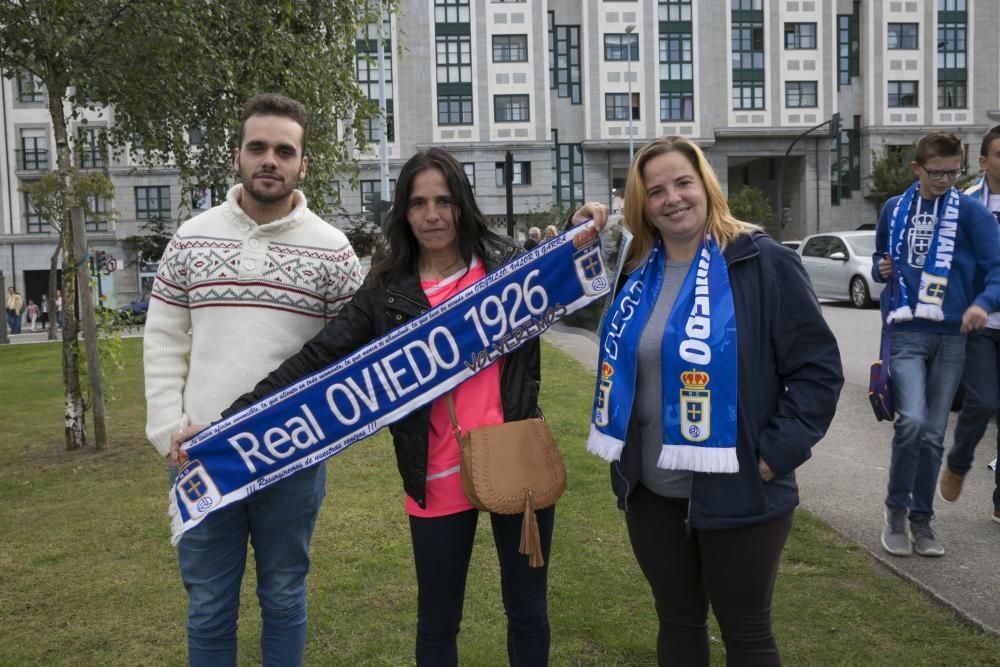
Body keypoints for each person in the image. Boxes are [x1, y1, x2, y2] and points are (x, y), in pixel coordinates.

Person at [176, 147, 556, 665]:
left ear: (463, 204)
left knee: (528, 611)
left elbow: (574, 275)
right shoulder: (385, 293)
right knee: (438, 622)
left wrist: (584, 229)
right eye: (418, 203)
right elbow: (315, 359)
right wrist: (230, 422)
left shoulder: (509, 269)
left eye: (444, 201)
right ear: (403, 211)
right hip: (436, 472)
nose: (432, 215)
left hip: (514, 459)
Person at [574, 136, 843, 666]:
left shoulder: (760, 260)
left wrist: (776, 455)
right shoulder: (634, 271)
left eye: (682, 183)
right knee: (677, 624)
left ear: (705, 186)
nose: (672, 198)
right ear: (641, 204)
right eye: (655, 191)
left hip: (742, 488)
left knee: (746, 634)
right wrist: (576, 240)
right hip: (651, 492)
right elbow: (572, 315)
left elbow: (817, 370)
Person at [144, 93, 362, 666]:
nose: (270, 159)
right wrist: (167, 426)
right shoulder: (191, 238)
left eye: (283, 151)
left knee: (284, 595)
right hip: (201, 452)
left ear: (302, 164)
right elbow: (163, 338)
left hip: (291, 455)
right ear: (237, 156)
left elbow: (351, 352)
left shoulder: (334, 252)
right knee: (210, 604)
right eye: (258, 147)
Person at [872, 132, 1000, 557]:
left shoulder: (972, 214)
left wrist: (982, 303)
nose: (946, 180)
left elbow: (996, 267)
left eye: (953, 171)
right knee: (910, 421)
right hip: (907, 331)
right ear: (916, 169)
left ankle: (921, 520)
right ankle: (894, 510)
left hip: (952, 336)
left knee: (930, 435)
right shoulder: (894, 209)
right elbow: (879, 262)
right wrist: (882, 267)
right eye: (936, 172)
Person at [939, 125, 1000, 523]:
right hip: (980, 320)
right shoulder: (964, 205)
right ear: (983, 161)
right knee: (983, 401)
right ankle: (958, 462)